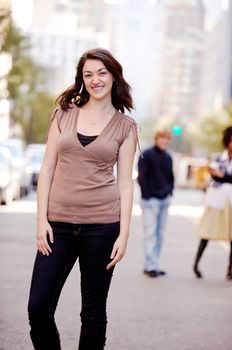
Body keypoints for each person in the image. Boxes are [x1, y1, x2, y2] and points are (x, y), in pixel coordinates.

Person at [27, 48, 138, 350]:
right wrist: (41, 221)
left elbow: (125, 185)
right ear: (81, 79)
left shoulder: (125, 127)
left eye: (102, 72)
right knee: (38, 309)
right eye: (88, 74)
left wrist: (123, 235)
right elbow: (47, 169)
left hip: (102, 227)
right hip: (57, 227)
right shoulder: (63, 114)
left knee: (92, 313)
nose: (95, 80)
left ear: (114, 76)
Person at [193, 126, 232, 281]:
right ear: (227, 140)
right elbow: (215, 176)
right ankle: (196, 265)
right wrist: (224, 176)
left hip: (231, 201)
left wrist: (223, 175)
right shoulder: (217, 157)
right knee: (206, 233)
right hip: (216, 200)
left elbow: (221, 176)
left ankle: (229, 269)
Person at [137, 130, 174, 278]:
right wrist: (147, 195)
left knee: (159, 235)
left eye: (167, 139)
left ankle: (154, 265)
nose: (164, 141)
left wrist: (169, 191)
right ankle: (151, 266)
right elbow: (142, 176)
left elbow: (171, 177)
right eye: (162, 139)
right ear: (156, 139)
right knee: (150, 233)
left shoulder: (168, 156)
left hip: (164, 199)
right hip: (150, 200)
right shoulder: (147, 154)